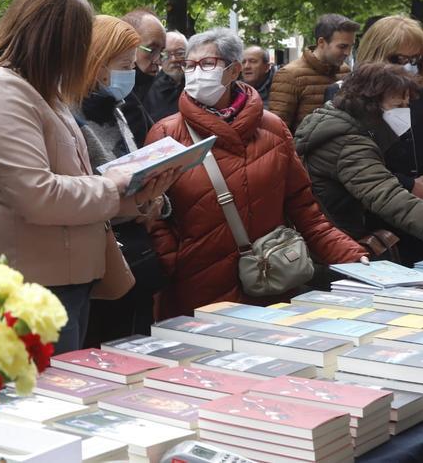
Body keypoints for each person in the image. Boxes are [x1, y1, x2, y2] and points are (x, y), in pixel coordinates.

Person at [0, 0, 175, 353]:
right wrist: (115, 184)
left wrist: (137, 199)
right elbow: (39, 195)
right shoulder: (0, 91)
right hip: (30, 288)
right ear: (51, 40)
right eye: (77, 46)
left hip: (56, 282)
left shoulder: (38, 90)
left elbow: (68, 185)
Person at [146, 28, 367, 320]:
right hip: (195, 289)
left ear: (233, 69)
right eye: (190, 65)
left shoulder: (273, 129)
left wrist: (351, 256)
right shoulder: (165, 134)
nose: (196, 73)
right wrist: (172, 259)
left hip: (269, 287)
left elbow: (304, 209)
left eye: (207, 64)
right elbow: (152, 211)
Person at [295, 63, 423, 271]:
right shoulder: (348, 145)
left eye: (407, 104)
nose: (405, 112)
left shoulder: (346, 129)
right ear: (370, 104)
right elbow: (393, 200)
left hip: (336, 248)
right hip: (335, 257)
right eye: (398, 105)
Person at [76, 16, 174, 346]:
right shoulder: (71, 116)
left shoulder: (117, 107)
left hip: (135, 255)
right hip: (103, 261)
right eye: (123, 64)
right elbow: (84, 191)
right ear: (96, 62)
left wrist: (156, 195)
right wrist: (138, 202)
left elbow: (134, 164)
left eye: (132, 64)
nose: (130, 73)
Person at [353, 16, 423, 261]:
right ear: (376, 54)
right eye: (398, 59)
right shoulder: (349, 95)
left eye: (415, 59)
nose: (408, 67)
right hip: (379, 226)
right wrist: (410, 186)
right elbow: (353, 162)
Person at [268, 14, 358, 131]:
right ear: (321, 42)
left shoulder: (345, 71)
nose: (348, 52)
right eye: (342, 46)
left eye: (351, 46)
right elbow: (278, 129)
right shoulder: (289, 75)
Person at [119, 9, 166, 145]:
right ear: (127, 45)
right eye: (151, 50)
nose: (159, 61)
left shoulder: (149, 89)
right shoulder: (112, 97)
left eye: (162, 52)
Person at [143, 30, 188, 125]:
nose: (174, 59)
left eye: (180, 53)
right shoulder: (148, 89)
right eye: (166, 55)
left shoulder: (198, 83)